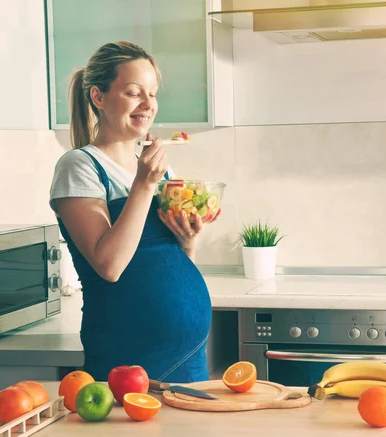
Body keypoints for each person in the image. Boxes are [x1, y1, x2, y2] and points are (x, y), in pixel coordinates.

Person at [49, 41, 220, 383]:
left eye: (153, 94)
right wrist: (144, 184)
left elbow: (160, 259)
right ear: (99, 98)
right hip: (130, 358)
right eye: (134, 92)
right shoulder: (80, 166)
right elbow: (109, 265)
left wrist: (187, 242)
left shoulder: (153, 169)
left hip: (188, 357)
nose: (148, 104)